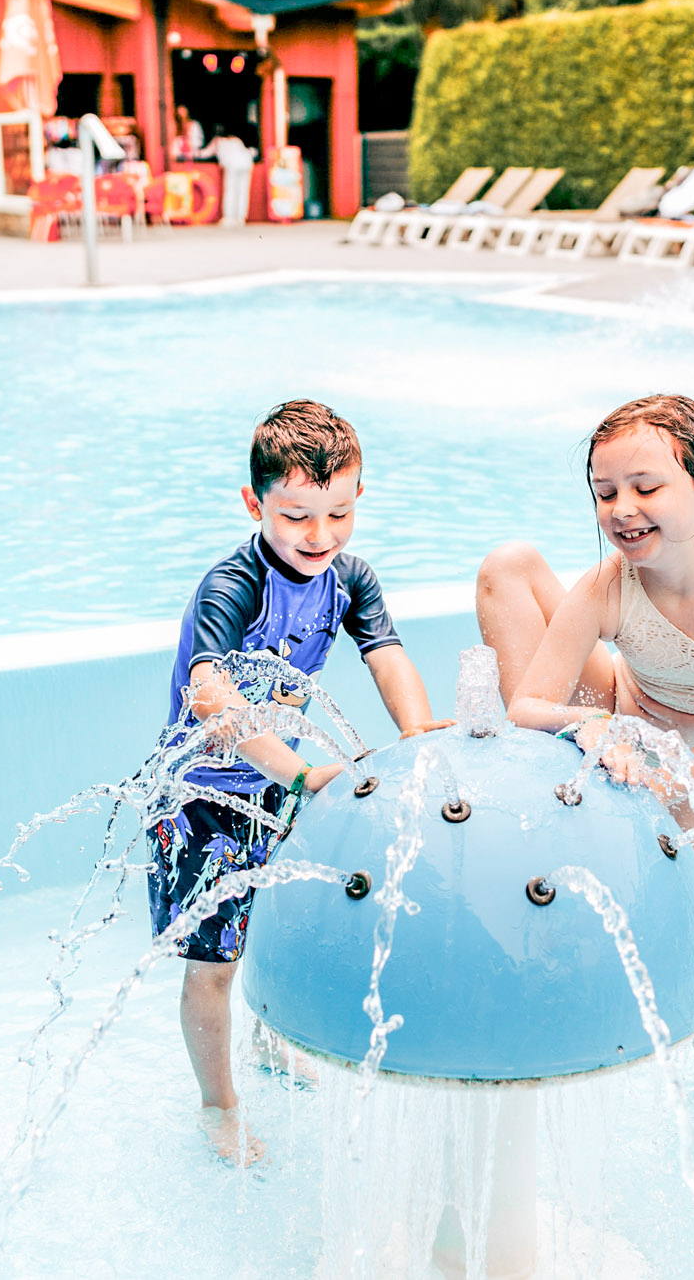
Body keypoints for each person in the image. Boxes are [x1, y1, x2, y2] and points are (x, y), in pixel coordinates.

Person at [474, 394, 694, 1132]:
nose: (623, 509)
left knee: (691, 926)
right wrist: (594, 726)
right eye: (605, 492)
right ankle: (530, 792)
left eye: (646, 488)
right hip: (617, 707)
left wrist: (662, 775)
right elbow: (530, 703)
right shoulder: (611, 580)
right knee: (510, 564)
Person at [153, 399, 451, 1165]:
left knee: (278, 922)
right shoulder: (234, 586)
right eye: (297, 516)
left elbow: (386, 654)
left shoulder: (349, 578)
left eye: (340, 514)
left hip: (277, 785)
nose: (320, 536)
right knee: (213, 961)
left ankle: (267, 1043)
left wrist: (419, 737)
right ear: (255, 504)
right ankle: (218, 1107)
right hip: (204, 800)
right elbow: (212, 697)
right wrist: (300, 774)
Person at [204, 131, 255, 227]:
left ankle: (229, 217)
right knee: (243, 191)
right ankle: (240, 217)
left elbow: (205, 153)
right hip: (246, 163)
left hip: (232, 164)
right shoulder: (237, 140)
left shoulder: (217, 141)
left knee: (230, 190)